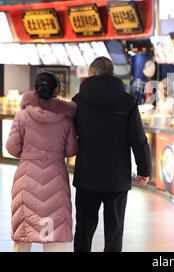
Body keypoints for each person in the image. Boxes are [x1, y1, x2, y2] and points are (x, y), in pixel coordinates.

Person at [72, 56, 151, 252]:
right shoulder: (128, 102)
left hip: (86, 176)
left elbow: (68, 137)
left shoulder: (78, 101)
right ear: (112, 74)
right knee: (114, 232)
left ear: (91, 74)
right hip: (117, 178)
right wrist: (144, 169)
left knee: (83, 229)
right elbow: (138, 139)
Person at [6, 72, 77, 252]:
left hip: (26, 178)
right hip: (56, 178)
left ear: (35, 89)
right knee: (55, 233)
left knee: (24, 234)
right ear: (56, 90)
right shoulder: (66, 119)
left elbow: (12, 147)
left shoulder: (22, 116)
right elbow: (71, 150)